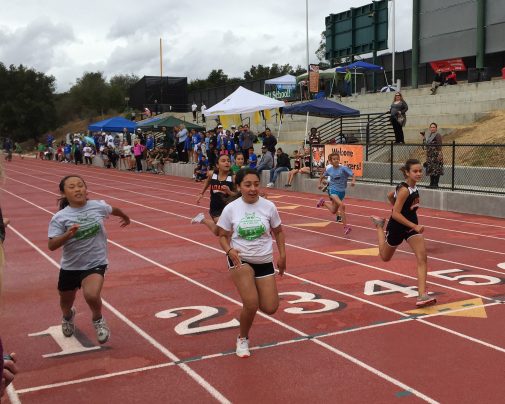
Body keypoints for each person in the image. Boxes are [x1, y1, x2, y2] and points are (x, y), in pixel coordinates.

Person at [47, 175, 130, 344]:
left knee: (92, 295)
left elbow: (113, 210)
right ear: (63, 193)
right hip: (70, 267)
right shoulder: (60, 217)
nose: (77, 189)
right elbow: (51, 245)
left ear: (86, 189)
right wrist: (68, 234)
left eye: (80, 185)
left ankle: (98, 319)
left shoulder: (97, 206)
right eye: (72, 187)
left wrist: (125, 217)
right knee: (66, 303)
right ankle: (68, 316)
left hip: (95, 262)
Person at [216, 168, 286, 358]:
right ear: (239, 187)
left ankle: (254, 292)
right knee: (251, 303)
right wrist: (229, 250)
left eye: (256, 184)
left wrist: (282, 255)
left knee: (270, 307)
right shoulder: (231, 209)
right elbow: (221, 236)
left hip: (264, 259)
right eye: (247, 185)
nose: (253, 188)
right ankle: (242, 338)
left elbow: (278, 231)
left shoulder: (269, 207)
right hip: (241, 259)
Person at [370, 159, 437, 308]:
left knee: (422, 257)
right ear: (407, 172)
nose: (419, 173)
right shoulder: (405, 190)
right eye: (415, 171)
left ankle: (422, 295)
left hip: (411, 226)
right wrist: (414, 224)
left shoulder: (412, 188)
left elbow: (389, 195)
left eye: (420, 171)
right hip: (397, 227)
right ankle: (379, 226)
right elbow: (395, 214)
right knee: (385, 257)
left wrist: (412, 224)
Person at [191, 154, 236, 235]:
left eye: (228, 161)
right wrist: (201, 193)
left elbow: (238, 195)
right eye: (223, 161)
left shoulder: (233, 178)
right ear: (217, 165)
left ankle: (202, 219)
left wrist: (229, 192)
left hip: (228, 209)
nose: (227, 163)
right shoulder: (212, 174)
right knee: (225, 231)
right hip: (215, 209)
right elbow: (208, 182)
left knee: (217, 232)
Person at [316, 152, 355, 235]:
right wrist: (319, 183)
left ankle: (323, 202)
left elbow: (353, 174)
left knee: (334, 211)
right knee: (342, 205)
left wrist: (353, 181)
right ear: (330, 161)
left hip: (342, 192)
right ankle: (345, 227)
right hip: (333, 191)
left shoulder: (343, 168)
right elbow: (322, 176)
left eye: (337, 159)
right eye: (334, 159)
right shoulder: (329, 169)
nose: (336, 160)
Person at [421, 122, 444, 188]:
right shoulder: (429, 136)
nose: (432, 128)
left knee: (436, 170)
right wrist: (423, 138)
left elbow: (440, 146)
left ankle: (435, 184)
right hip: (430, 156)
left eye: (434, 127)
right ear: (429, 128)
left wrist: (439, 155)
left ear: (436, 128)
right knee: (431, 170)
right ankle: (431, 184)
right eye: (431, 127)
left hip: (436, 155)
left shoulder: (437, 135)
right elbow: (425, 146)